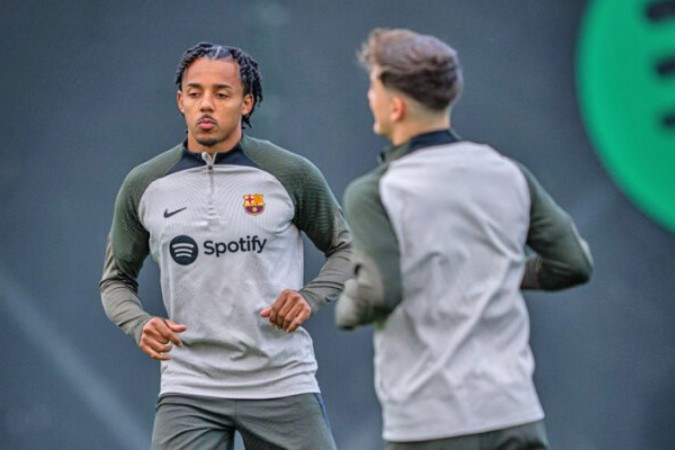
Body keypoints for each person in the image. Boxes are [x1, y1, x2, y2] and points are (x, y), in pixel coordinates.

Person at [335, 28, 594, 450]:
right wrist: (494, 272)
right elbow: (573, 263)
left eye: (373, 86)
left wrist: (346, 307)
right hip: (516, 416)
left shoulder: (374, 191)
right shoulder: (507, 172)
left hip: (430, 427)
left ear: (396, 106)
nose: (369, 97)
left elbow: (378, 291)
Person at [99, 42, 351, 450]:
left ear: (247, 103)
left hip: (281, 380)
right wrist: (139, 323)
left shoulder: (290, 173)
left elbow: (347, 249)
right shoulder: (145, 184)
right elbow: (115, 281)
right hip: (190, 386)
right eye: (195, 93)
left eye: (222, 94)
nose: (206, 105)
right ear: (180, 101)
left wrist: (311, 296)